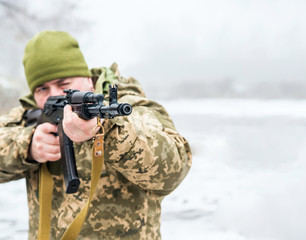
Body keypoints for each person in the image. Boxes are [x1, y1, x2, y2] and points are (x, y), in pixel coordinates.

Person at [0, 30, 192, 239]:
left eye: (64, 85)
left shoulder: (131, 105)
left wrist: (106, 133)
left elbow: (174, 169)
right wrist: (26, 147)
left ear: (88, 81)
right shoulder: (28, 116)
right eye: (42, 89)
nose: (55, 94)